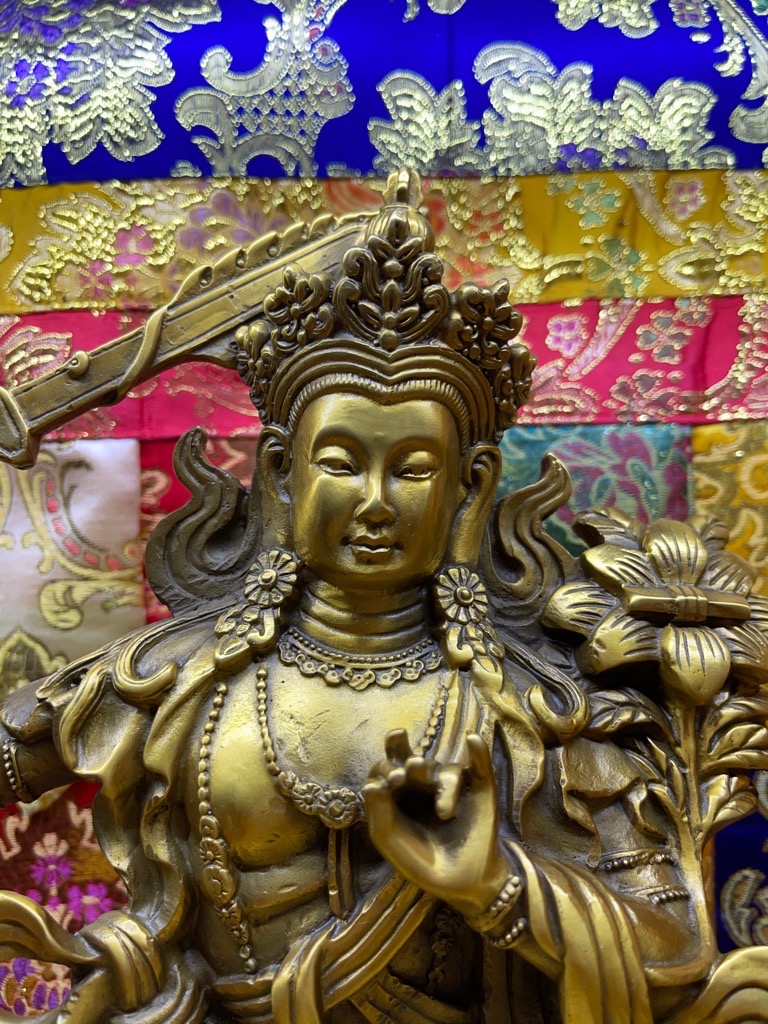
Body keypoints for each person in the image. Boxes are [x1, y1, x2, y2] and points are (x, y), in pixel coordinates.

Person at [1, 170, 767, 1024]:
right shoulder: (167, 682)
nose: (374, 501)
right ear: (281, 474)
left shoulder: (542, 714)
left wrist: (495, 884)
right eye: (340, 463)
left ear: (470, 487)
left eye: (412, 468)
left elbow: (672, 951)